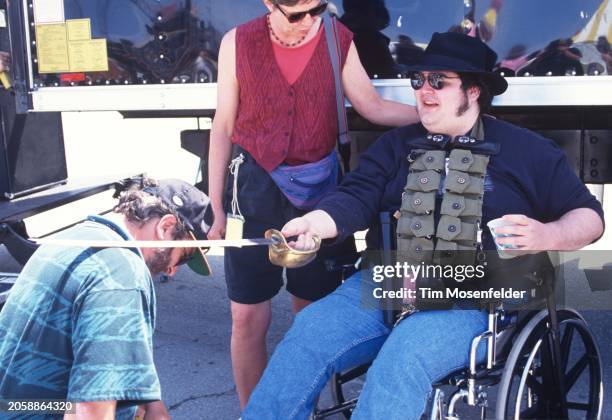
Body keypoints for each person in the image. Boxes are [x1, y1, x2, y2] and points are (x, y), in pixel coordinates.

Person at [242, 32, 605, 419]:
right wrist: (313, 224)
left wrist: (546, 234)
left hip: (476, 301)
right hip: (386, 286)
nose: (423, 91)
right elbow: (353, 198)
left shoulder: (528, 151)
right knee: (308, 332)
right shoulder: (395, 146)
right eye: (418, 80)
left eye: (439, 82)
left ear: (474, 89)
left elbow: (589, 218)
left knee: (406, 353)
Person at [208, 0, 420, 408]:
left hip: (320, 194)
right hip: (253, 190)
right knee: (247, 316)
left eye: (318, 8)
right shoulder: (236, 42)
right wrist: (215, 204)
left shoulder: (338, 39)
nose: (310, 21)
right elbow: (223, 124)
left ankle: (303, 408)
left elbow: (371, 106)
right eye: (297, 13)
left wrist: (433, 115)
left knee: (312, 315)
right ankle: (255, 412)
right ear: (269, 4)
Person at [0, 178, 213, 420]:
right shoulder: (121, 276)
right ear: (165, 227)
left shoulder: (78, 236)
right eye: (182, 257)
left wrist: (150, 401)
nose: (171, 271)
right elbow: (89, 412)